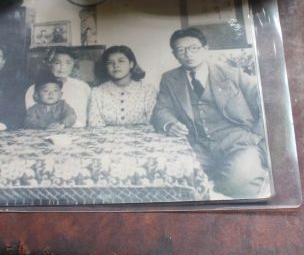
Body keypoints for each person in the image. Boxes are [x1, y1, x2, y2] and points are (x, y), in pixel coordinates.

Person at [151, 27, 268, 198]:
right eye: (181, 50)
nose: (188, 54)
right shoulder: (169, 78)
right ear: (174, 54)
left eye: (194, 48)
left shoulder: (232, 74)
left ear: (205, 49)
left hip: (239, 144)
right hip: (197, 145)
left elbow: (268, 103)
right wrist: (170, 124)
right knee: (169, 177)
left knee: (238, 183)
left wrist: (256, 135)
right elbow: (162, 109)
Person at [87, 45, 157, 127]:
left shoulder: (148, 90)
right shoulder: (97, 93)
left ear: (131, 64)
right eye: (110, 62)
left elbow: (154, 123)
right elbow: (95, 126)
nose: (115, 65)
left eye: (121, 61)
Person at [24, 46, 90, 126]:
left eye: (68, 63)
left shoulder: (83, 87)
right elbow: (31, 120)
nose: (63, 67)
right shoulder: (34, 89)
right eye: (57, 63)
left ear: (74, 64)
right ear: (49, 63)